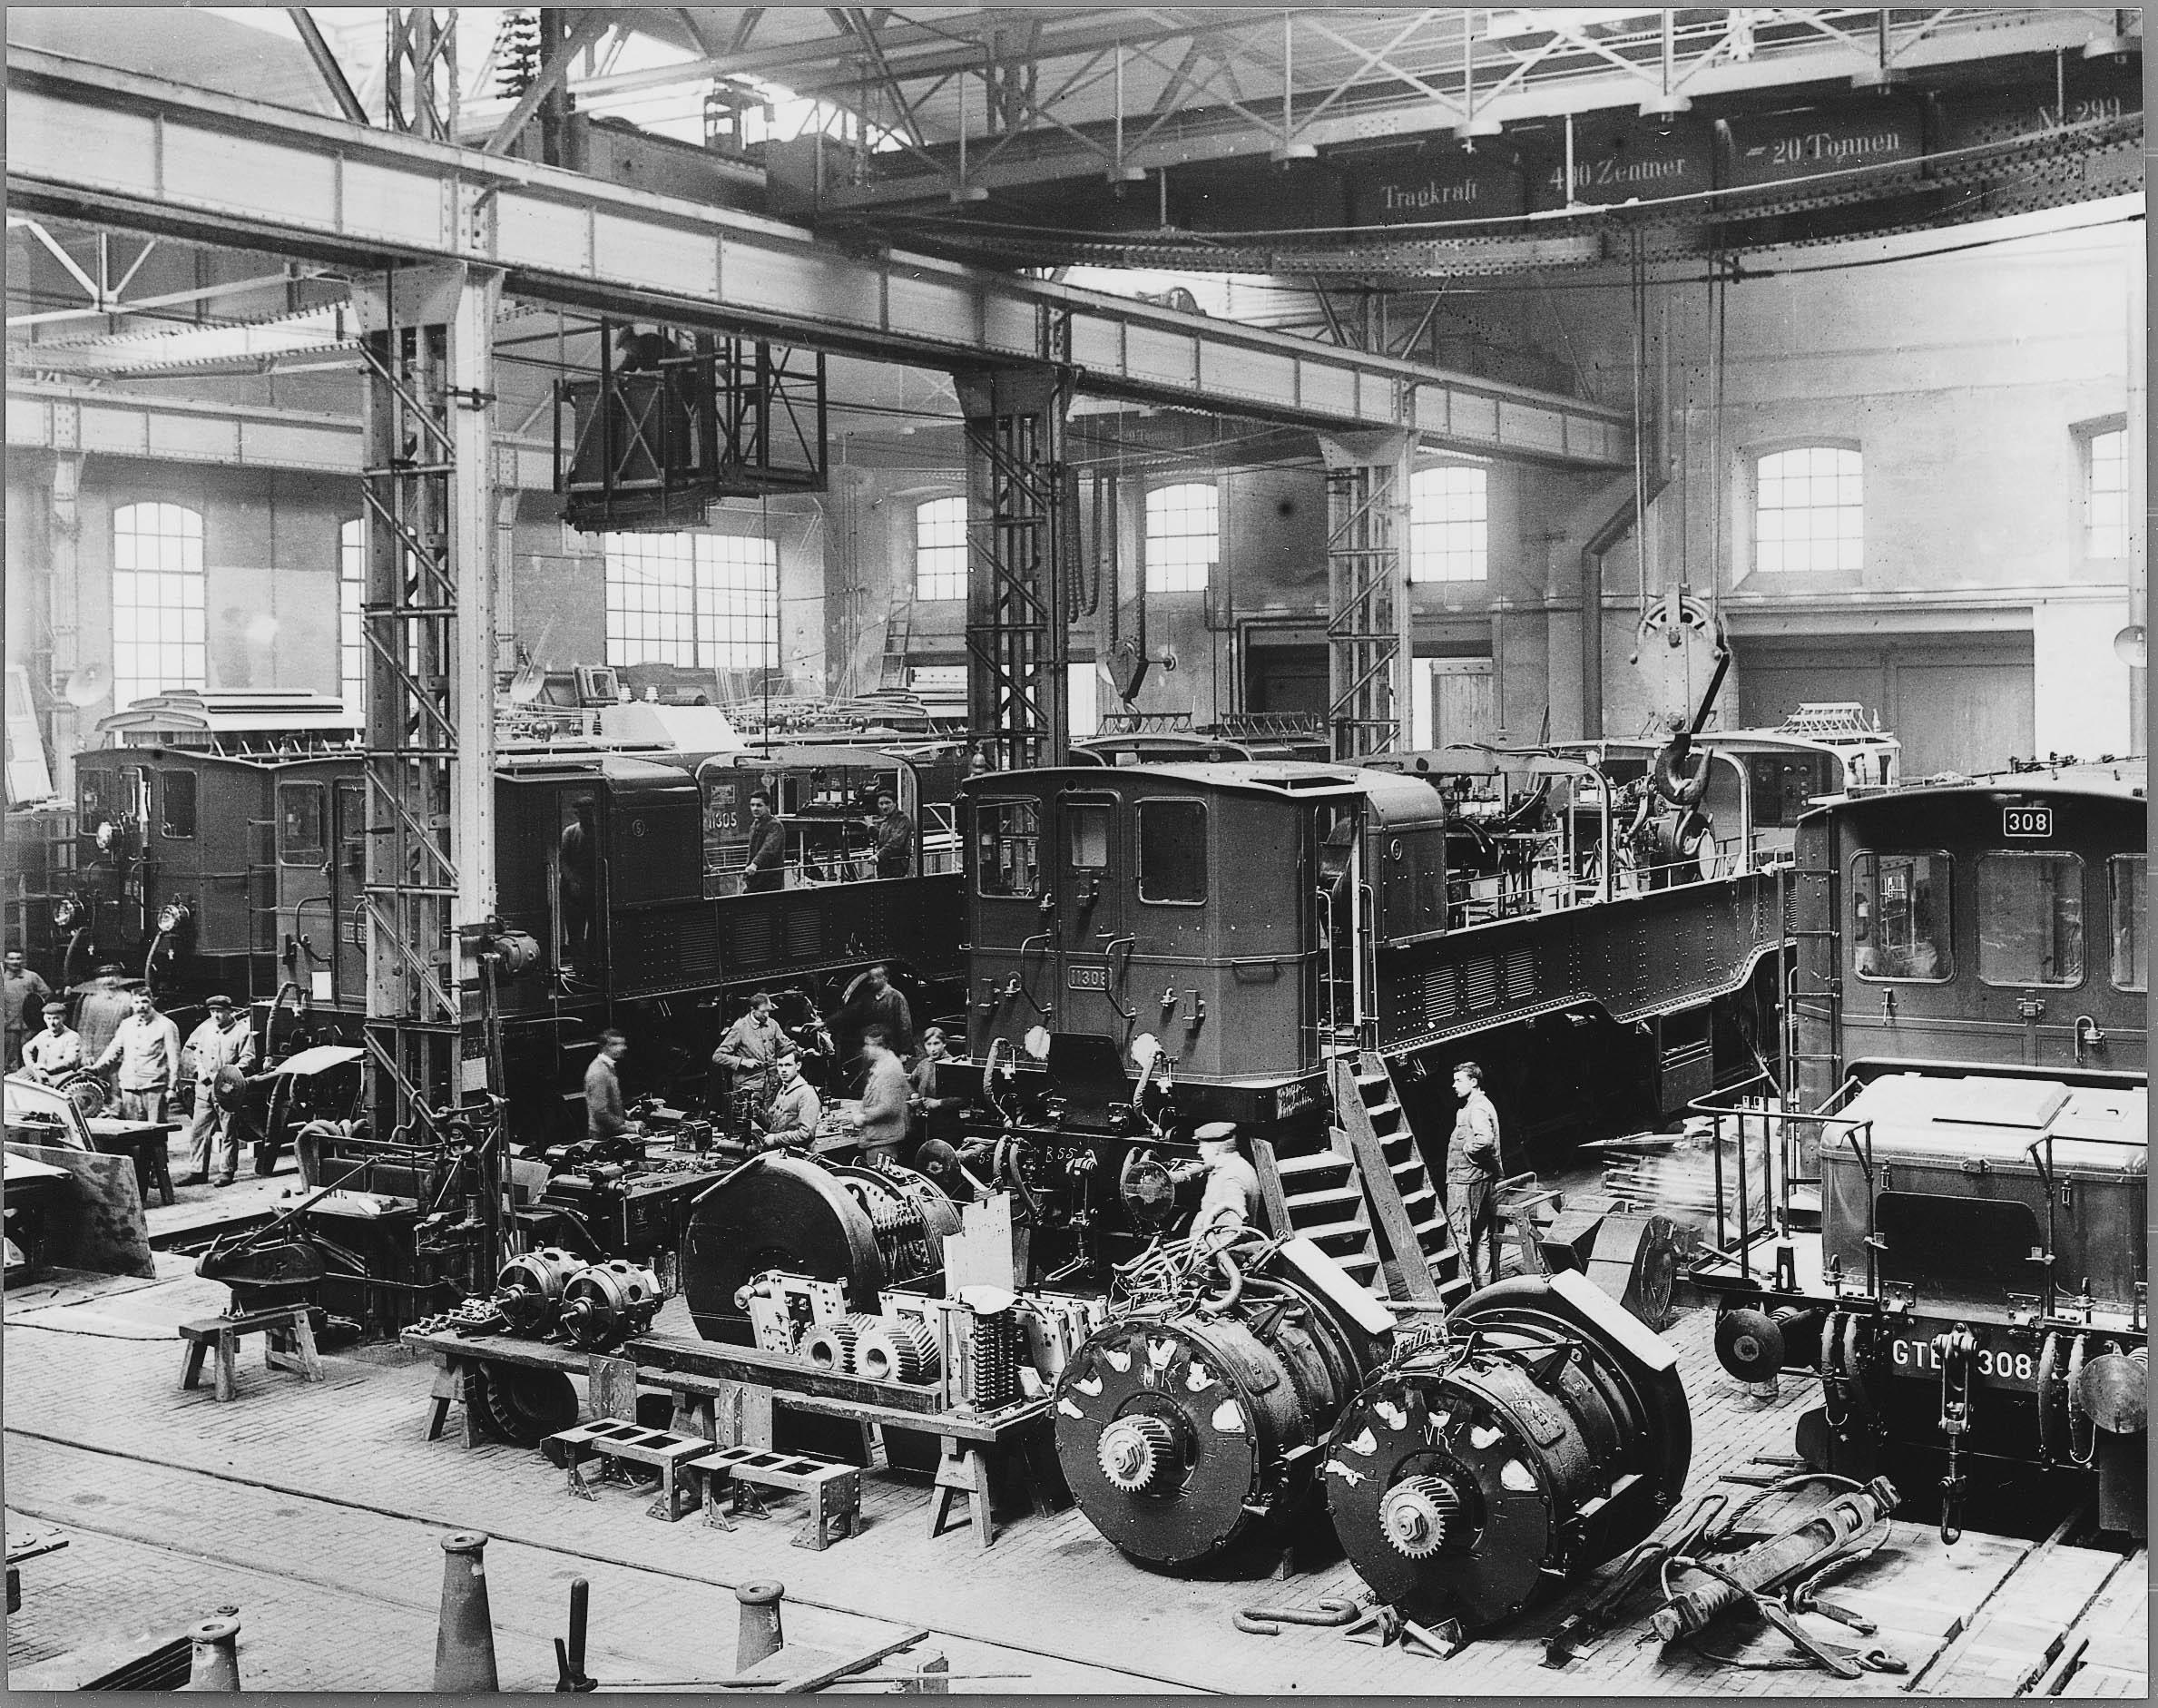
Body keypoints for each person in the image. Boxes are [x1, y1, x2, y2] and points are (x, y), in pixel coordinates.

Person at [181, 995, 257, 1187]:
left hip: (226, 1089)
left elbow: (247, 1059)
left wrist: (229, 1077)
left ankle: (227, 1171)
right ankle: (197, 1171)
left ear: (229, 1012)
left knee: (228, 1131)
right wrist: (201, 1073)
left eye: (220, 1012)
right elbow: (197, 1054)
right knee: (198, 1131)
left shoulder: (242, 1033)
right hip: (204, 1088)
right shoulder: (206, 1030)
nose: (216, 1015)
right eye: (213, 1012)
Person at [1444, 1061, 1504, 1290]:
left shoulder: (1476, 1108)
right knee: (1481, 1236)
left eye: (1459, 1080)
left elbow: (1484, 1139)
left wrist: (1469, 1151)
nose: (1454, 1085)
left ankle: (1467, 1293)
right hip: (1481, 1179)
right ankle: (1485, 1290)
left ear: (1474, 1082)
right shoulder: (1480, 1104)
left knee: (1461, 1236)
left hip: (1466, 1181)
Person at [94, 988, 182, 1125]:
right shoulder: (126, 1025)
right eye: (137, 1002)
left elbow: (174, 1060)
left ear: (152, 1002)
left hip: (154, 1087)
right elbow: (113, 1050)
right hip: (129, 1086)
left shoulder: (166, 1025)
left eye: (145, 1001)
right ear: (131, 1004)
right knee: (131, 1132)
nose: (141, 1006)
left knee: (155, 1133)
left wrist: (172, 1088)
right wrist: (96, 1068)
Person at [713, 992, 788, 1118]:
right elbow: (718, 1056)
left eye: (768, 1011)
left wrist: (802, 1051)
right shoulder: (740, 1028)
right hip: (749, 1086)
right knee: (750, 1123)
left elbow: (784, 1044)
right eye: (763, 1012)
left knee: (772, 1123)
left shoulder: (772, 1024)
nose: (766, 1015)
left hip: (771, 1086)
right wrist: (742, 1062)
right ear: (753, 1009)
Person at [1189, 1122, 1260, 1242]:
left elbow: (1231, 1231)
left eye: (1202, 1146)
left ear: (1215, 1148)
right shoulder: (1237, 1166)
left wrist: (1202, 1254)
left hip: (1216, 1253)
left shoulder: (1230, 1177)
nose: (1199, 1152)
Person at [851, 1024, 912, 1164]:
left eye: (869, 1045)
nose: (865, 1049)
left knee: (880, 1181)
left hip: (884, 1141)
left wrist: (863, 1118)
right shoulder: (880, 1064)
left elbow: (889, 1107)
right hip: (877, 1138)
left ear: (880, 1046)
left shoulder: (890, 1069)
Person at [559, 797, 597, 968]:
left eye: (589, 812)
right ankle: (580, 968)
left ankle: (592, 965)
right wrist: (573, 882)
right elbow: (564, 862)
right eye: (582, 812)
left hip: (594, 890)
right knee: (575, 932)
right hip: (573, 891)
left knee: (596, 930)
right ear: (577, 813)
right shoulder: (570, 833)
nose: (586, 816)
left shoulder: (599, 833)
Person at [909, 1026, 964, 1144]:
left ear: (944, 1044)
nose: (933, 1049)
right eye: (929, 1044)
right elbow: (911, 1082)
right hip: (925, 1124)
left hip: (947, 1126)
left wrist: (938, 1103)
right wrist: (914, 1095)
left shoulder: (953, 1066)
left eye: (936, 1043)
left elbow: (963, 1099)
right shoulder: (923, 1065)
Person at [73, 964, 133, 1066]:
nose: (109, 979)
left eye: (112, 975)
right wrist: (86, 1053)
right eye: (104, 976)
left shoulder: (128, 998)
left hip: (122, 1049)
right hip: (97, 1047)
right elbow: (85, 1028)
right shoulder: (91, 999)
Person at [4, 947, 54, 1072]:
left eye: (18, 958)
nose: (15, 962)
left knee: (31, 1057)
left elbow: (46, 994)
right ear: (5, 960)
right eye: (11, 958)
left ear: (23, 960)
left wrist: (35, 1011)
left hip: (29, 1027)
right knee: (10, 1060)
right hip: (8, 1027)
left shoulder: (31, 977)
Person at [760, 1050, 822, 1150]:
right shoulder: (784, 1089)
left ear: (798, 1066)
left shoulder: (806, 1093)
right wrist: (755, 1112)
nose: (783, 1070)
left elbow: (806, 1134)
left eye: (788, 1065)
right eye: (780, 1065)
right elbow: (773, 1125)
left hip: (798, 1156)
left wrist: (775, 1139)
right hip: (780, 1152)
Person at [855, 963, 913, 1060]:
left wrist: (905, 1051)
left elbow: (905, 1025)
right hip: (875, 1046)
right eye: (870, 979)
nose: (870, 982)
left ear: (885, 978)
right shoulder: (868, 998)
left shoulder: (896, 997)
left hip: (892, 1048)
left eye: (874, 979)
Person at [584, 1027, 633, 1146]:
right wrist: (628, 1126)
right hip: (603, 1138)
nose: (624, 1048)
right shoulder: (599, 1072)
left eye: (623, 1044)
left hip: (610, 1134)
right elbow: (600, 1113)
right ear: (606, 1047)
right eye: (618, 1045)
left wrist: (625, 1113)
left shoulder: (607, 1068)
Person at [20, 999, 83, 1085]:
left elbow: (70, 1061)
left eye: (56, 1018)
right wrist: (31, 1066)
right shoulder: (43, 1035)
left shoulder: (72, 1037)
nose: (52, 1023)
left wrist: (49, 1068)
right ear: (44, 1019)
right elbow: (26, 1049)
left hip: (61, 1080)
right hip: (40, 1078)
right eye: (48, 1018)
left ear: (63, 1018)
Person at [741, 793, 786, 894]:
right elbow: (751, 852)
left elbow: (769, 847)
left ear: (767, 806)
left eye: (759, 805)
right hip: (755, 877)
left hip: (769, 878)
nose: (755, 808)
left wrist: (755, 864)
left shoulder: (775, 825)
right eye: (752, 805)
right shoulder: (754, 826)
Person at [870, 790, 917, 879]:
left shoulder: (903, 819)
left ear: (895, 803)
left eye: (887, 803)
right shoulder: (886, 821)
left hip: (897, 867)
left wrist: (878, 855)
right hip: (884, 867)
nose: (884, 806)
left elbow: (895, 842)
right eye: (881, 804)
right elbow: (881, 840)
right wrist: (870, 827)